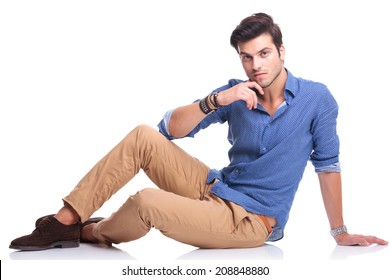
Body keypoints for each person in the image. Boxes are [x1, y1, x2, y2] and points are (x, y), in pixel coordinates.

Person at [9, 12, 387, 251]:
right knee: (143, 135)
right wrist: (218, 100)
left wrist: (340, 231)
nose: (255, 65)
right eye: (247, 56)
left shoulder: (317, 99)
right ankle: (65, 221)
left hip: (251, 221)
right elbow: (167, 130)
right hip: (215, 187)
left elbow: (328, 165)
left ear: (281, 51)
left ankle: (90, 234)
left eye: (264, 53)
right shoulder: (237, 94)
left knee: (147, 202)